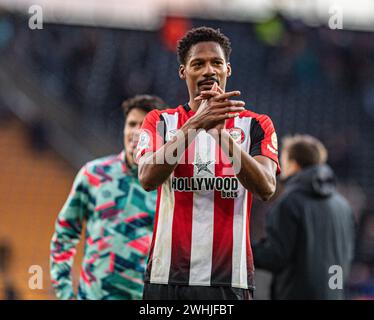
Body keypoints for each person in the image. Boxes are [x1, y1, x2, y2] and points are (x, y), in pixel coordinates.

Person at [136, 27, 280, 300]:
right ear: (183, 72)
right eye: (197, 64)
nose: (208, 71)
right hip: (167, 279)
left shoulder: (256, 124)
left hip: (229, 281)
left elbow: (266, 186)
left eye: (216, 63)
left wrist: (221, 135)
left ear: (228, 69)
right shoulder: (160, 121)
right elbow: (147, 177)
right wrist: (195, 125)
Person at [50, 95, 167, 300]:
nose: (137, 132)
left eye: (145, 125)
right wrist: (65, 292)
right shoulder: (93, 174)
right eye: (131, 124)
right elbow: (64, 235)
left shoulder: (170, 188)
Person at [252, 134, 355, 299]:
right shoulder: (343, 205)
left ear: (293, 163)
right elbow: (348, 255)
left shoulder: (290, 202)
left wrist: (244, 249)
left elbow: (275, 256)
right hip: (334, 294)